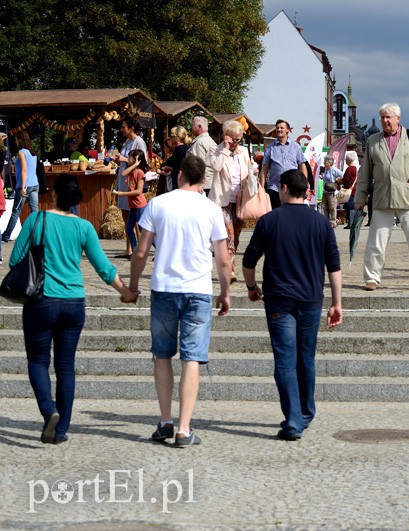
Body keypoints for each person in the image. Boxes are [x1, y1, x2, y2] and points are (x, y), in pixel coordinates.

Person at [12, 173, 137, 444]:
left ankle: (49, 411)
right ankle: (60, 431)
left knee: (38, 361)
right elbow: (104, 269)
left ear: (54, 194)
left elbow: (14, 259)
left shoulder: (36, 220)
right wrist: (126, 291)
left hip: (40, 301)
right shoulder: (84, 228)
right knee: (66, 366)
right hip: (73, 303)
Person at [129, 155, 231, 448]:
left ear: (181, 174)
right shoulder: (212, 209)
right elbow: (223, 259)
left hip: (163, 288)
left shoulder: (158, 203)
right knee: (192, 357)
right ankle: (184, 429)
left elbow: (140, 251)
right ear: (202, 179)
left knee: (162, 355)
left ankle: (164, 421)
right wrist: (224, 292)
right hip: (198, 290)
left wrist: (133, 286)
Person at [242, 169, 342, 441]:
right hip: (311, 299)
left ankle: (294, 420)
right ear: (307, 190)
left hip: (279, 300)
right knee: (306, 357)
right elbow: (334, 265)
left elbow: (249, 261)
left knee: (285, 360)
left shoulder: (269, 220)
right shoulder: (321, 223)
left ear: (284, 188)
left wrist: (251, 288)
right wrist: (337, 302)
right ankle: (306, 412)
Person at [354, 102, 409, 291]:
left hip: (407, 197)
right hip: (382, 197)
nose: (385, 120)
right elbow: (365, 173)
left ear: (398, 118)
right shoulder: (373, 140)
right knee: (376, 243)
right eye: (382, 117)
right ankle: (371, 278)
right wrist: (360, 197)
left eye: (388, 117)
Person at [209, 119, 250, 283]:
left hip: (240, 201)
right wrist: (225, 150)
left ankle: (228, 266)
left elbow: (248, 169)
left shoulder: (244, 152)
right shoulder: (215, 150)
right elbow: (216, 167)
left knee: (237, 237)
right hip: (222, 201)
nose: (235, 143)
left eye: (238, 139)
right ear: (226, 136)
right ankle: (228, 271)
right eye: (232, 139)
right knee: (229, 237)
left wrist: (253, 170)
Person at [114, 117, 148, 257]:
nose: (122, 129)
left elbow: (140, 161)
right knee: (126, 215)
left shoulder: (139, 142)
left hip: (133, 182)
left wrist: (124, 160)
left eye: (124, 127)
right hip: (124, 181)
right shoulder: (127, 142)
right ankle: (128, 248)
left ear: (131, 128)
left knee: (136, 217)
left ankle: (139, 248)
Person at [2, 130, 40, 244]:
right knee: (34, 211)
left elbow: (24, 170)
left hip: (24, 185)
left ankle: (6, 235)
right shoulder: (32, 152)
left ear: (19, 140)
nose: (15, 141)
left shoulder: (21, 152)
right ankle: (37, 235)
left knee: (16, 211)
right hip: (34, 184)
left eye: (15, 139)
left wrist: (22, 187)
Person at [260, 119, 308, 209]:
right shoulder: (270, 148)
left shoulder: (296, 147)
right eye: (277, 128)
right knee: (276, 215)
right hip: (274, 188)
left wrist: (304, 185)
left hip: (293, 187)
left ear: (288, 131)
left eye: (282, 128)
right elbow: (264, 169)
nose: (279, 129)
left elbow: (302, 166)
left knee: (292, 213)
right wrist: (261, 188)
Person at [187, 116, 217, 195]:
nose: (191, 127)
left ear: (199, 127)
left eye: (193, 125)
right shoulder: (211, 142)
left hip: (202, 187)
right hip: (210, 184)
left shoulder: (200, 142)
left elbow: (198, 165)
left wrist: (198, 183)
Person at [320, 156, 343, 229]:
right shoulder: (325, 169)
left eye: (325, 161)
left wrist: (337, 181)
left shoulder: (334, 170)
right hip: (325, 191)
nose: (323, 162)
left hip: (332, 192)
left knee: (332, 207)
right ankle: (325, 221)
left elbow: (342, 175)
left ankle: (333, 222)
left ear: (329, 162)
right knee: (324, 207)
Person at [339, 152, 359, 228]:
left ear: (347, 160)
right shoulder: (356, 169)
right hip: (354, 190)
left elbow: (346, 179)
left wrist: (339, 180)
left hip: (348, 191)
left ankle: (350, 223)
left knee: (348, 207)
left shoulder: (349, 169)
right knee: (353, 207)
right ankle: (353, 222)